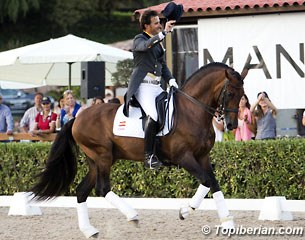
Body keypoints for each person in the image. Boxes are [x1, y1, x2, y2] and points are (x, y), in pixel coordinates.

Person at [123, 10, 178, 170]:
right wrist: (164, 34)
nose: (159, 25)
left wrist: (172, 81)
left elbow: (163, 66)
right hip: (142, 87)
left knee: (171, 109)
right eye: (156, 23)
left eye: (159, 22)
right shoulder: (139, 39)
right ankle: (148, 156)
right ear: (146, 26)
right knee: (153, 115)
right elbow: (145, 46)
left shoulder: (158, 45)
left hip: (156, 86)